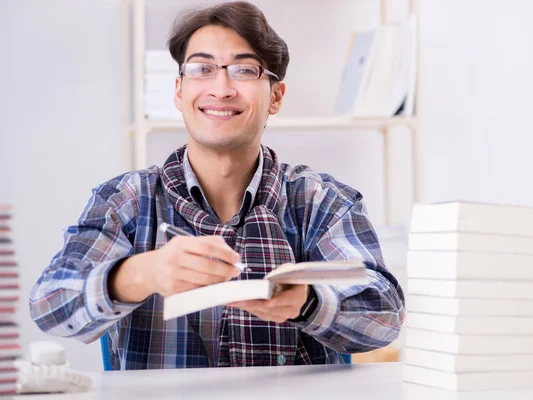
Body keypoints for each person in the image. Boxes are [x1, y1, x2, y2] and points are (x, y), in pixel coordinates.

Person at [30, 1, 405, 370]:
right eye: (202, 68)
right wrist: (143, 273)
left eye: (244, 70)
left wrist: (308, 303)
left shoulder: (322, 202)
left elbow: (385, 315)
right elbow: (49, 304)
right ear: (179, 90)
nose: (221, 88)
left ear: (275, 96)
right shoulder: (128, 200)